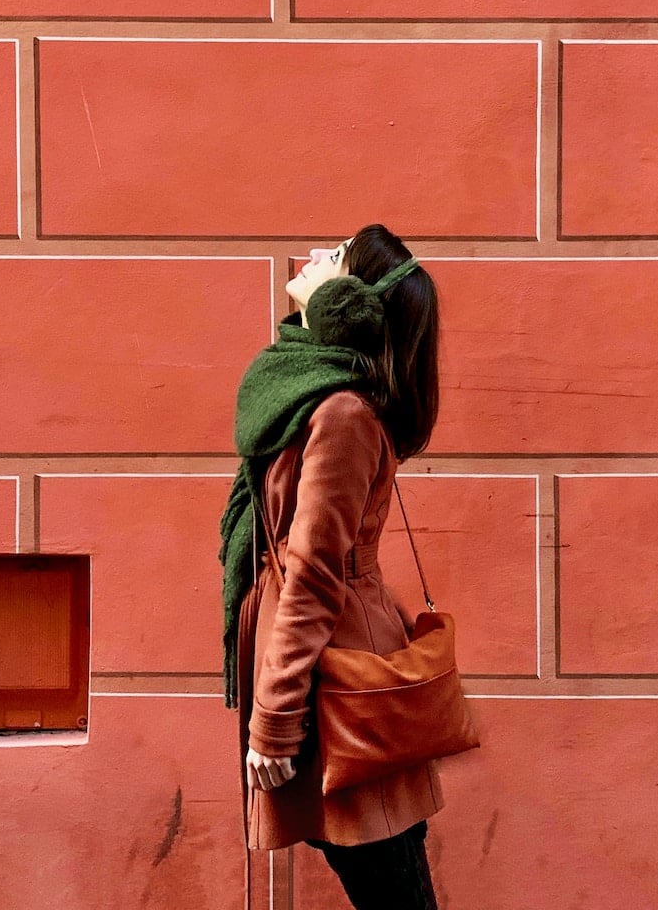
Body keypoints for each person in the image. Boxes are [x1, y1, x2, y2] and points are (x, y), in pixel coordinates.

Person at [218, 223, 445, 909]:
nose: (315, 256)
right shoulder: (315, 398)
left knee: (394, 891)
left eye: (336, 256)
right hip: (325, 667)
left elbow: (316, 571)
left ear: (350, 300)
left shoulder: (342, 414)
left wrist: (275, 720)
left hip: (341, 683)